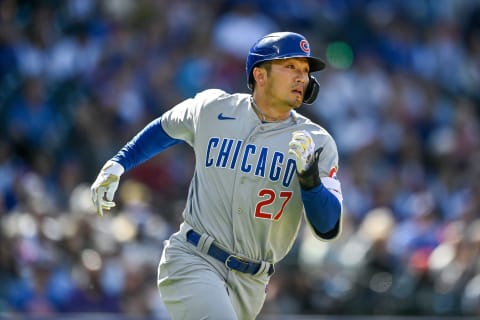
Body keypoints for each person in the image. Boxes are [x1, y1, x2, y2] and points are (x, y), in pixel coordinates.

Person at [91, 31, 343, 320]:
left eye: (306, 71)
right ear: (260, 75)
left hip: (252, 281)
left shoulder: (317, 141)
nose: (302, 78)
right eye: (291, 67)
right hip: (194, 258)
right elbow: (165, 128)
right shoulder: (213, 108)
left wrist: (309, 179)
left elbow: (328, 227)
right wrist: (120, 162)